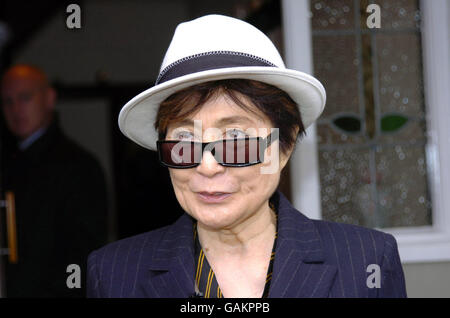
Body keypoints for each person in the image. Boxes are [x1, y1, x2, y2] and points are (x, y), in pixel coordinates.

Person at [87, 14, 406, 298]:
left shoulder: (367, 262)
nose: (207, 166)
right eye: (185, 140)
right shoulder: (114, 274)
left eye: (235, 139)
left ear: (285, 146)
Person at [0, 64, 108, 297]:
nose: (15, 108)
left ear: (49, 98)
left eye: (25, 97)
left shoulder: (78, 166)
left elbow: (85, 257)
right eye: (7, 101)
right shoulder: (10, 162)